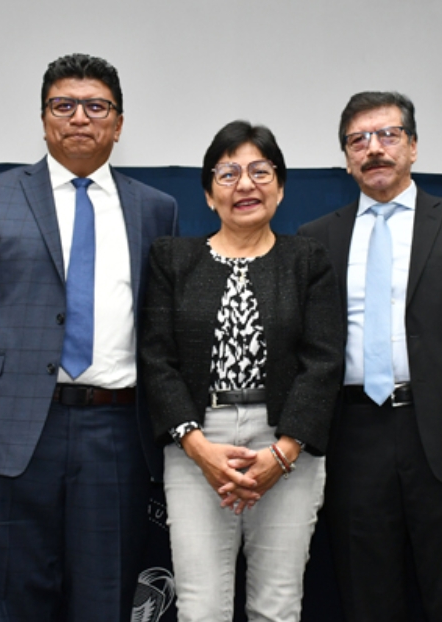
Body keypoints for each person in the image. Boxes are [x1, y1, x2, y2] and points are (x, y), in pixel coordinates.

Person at [0, 53, 179, 622]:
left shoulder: (155, 210)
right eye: (63, 105)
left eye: (96, 107)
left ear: (119, 123)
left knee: (105, 599)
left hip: (116, 432)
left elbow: (162, 330)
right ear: (43, 119)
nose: (79, 118)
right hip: (9, 434)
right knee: (12, 598)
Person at [298, 91, 442, 621]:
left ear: (413, 146)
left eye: (388, 135)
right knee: (366, 599)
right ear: (346, 157)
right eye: (358, 140)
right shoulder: (316, 238)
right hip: (353, 440)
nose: (373, 149)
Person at [140, 120, 344, 622]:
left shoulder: (308, 259)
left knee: (277, 607)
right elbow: (157, 359)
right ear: (209, 194)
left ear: (280, 187)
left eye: (260, 171)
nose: (245, 184)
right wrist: (197, 447)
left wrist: (284, 451)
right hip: (196, 443)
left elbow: (323, 360)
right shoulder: (172, 259)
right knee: (201, 609)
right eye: (228, 174)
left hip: (286, 444)